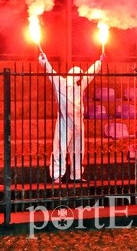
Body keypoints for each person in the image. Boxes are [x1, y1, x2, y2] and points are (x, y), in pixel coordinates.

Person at [38, 52, 104, 183]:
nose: (80, 79)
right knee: (60, 147)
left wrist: (99, 62)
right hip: (65, 121)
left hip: (78, 121)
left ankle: (77, 174)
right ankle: (56, 175)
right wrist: (44, 61)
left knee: (79, 149)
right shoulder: (61, 83)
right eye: (78, 77)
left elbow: (89, 74)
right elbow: (51, 72)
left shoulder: (80, 84)